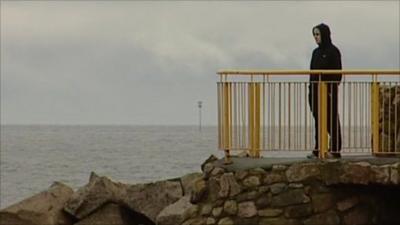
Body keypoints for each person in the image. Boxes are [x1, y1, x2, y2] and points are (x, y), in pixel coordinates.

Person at [307, 23, 342, 159]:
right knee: (318, 120)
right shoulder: (315, 53)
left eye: (318, 34)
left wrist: (329, 88)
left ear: (324, 35)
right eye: (314, 35)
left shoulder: (333, 51)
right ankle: (318, 148)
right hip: (315, 92)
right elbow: (312, 73)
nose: (316, 37)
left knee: (331, 119)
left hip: (329, 92)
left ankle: (335, 149)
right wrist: (310, 91)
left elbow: (338, 74)